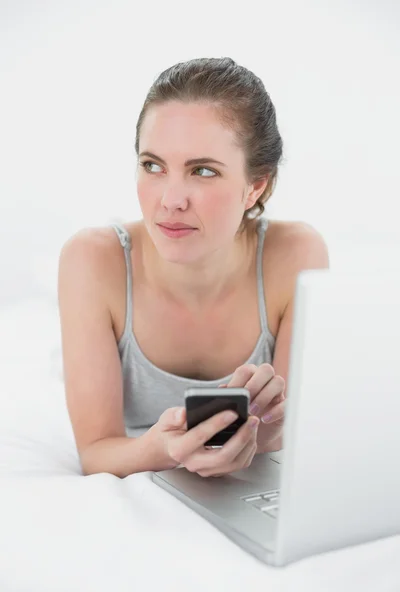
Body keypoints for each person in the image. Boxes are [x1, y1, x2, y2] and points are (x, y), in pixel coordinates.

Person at [58, 57, 329, 479]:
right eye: (153, 166)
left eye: (202, 171)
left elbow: (291, 431)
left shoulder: (294, 255)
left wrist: (267, 431)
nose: (170, 199)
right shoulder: (93, 261)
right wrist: (162, 448)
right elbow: (96, 452)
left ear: (256, 185)